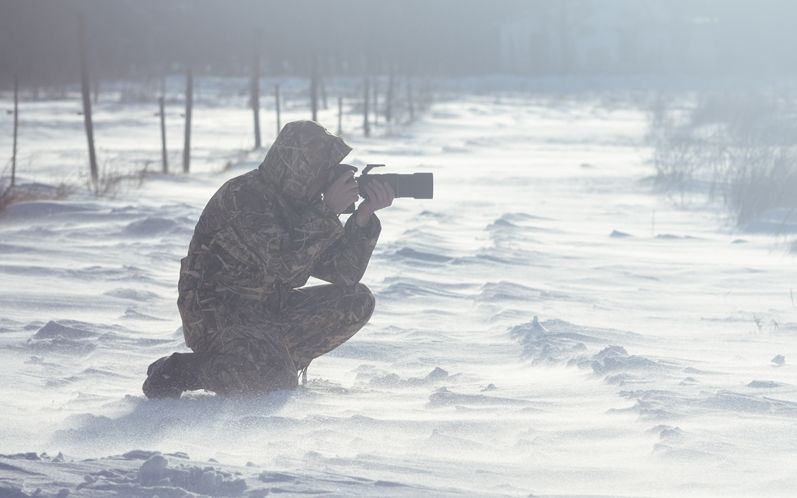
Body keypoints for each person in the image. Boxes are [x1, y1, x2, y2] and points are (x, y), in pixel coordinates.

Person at [142, 120, 394, 398]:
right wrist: (327, 211)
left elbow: (343, 273)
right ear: (299, 167)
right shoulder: (243, 197)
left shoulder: (300, 201)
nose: (327, 178)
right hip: (216, 312)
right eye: (322, 170)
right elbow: (286, 268)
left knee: (356, 301)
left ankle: (266, 361)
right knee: (273, 381)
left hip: (265, 308)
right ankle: (180, 371)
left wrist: (362, 218)